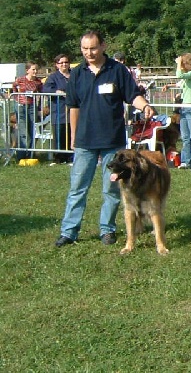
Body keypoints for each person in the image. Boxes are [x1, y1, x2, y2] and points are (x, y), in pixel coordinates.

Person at [55, 30, 156, 247]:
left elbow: (133, 96)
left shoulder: (117, 70)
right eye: (84, 49)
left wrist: (145, 106)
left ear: (103, 46)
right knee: (77, 188)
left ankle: (107, 230)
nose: (88, 53)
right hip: (85, 141)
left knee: (111, 189)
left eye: (92, 48)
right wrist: (74, 136)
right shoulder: (77, 73)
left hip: (113, 141)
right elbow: (73, 107)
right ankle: (69, 231)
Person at [42, 54, 72, 164]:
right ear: (56, 64)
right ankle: (59, 158)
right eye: (61, 62)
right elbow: (46, 90)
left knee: (72, 133)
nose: (64, 64)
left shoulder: (74, 75)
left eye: (66, 62)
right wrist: (56, 92)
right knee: (59, 134)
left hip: (73, 111)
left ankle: (71, 157)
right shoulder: (53, 77)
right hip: (59, 111)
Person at [11, 61, 43, 160]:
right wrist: (17, 98)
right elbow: (14, 89)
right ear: (27, 70)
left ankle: (30, 155)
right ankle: (21, 155)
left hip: (32, 106)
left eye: (36, 69)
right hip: (21, 106)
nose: (35, 71)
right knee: (23, 130)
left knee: (31, 129)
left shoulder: (38, 82)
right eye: (33, 69)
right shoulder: (20, 80)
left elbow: (41, 93)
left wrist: (39, 108)